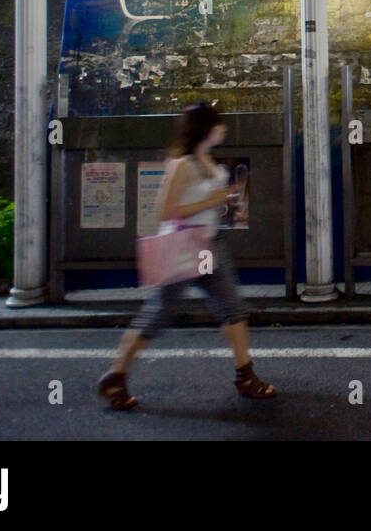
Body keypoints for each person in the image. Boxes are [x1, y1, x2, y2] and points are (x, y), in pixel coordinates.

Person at [97, 102, 276, 410]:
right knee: (158, 313)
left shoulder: (207, 159)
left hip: (210, 245)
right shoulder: (181, 164)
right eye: (218, 124)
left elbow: (207, 201)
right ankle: (115, 376)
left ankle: (245, 376)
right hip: (183, 247)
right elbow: (165, 211)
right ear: (205, 128)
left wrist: (223, 198)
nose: (223, 129)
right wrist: (211, 200)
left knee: (232, 308)